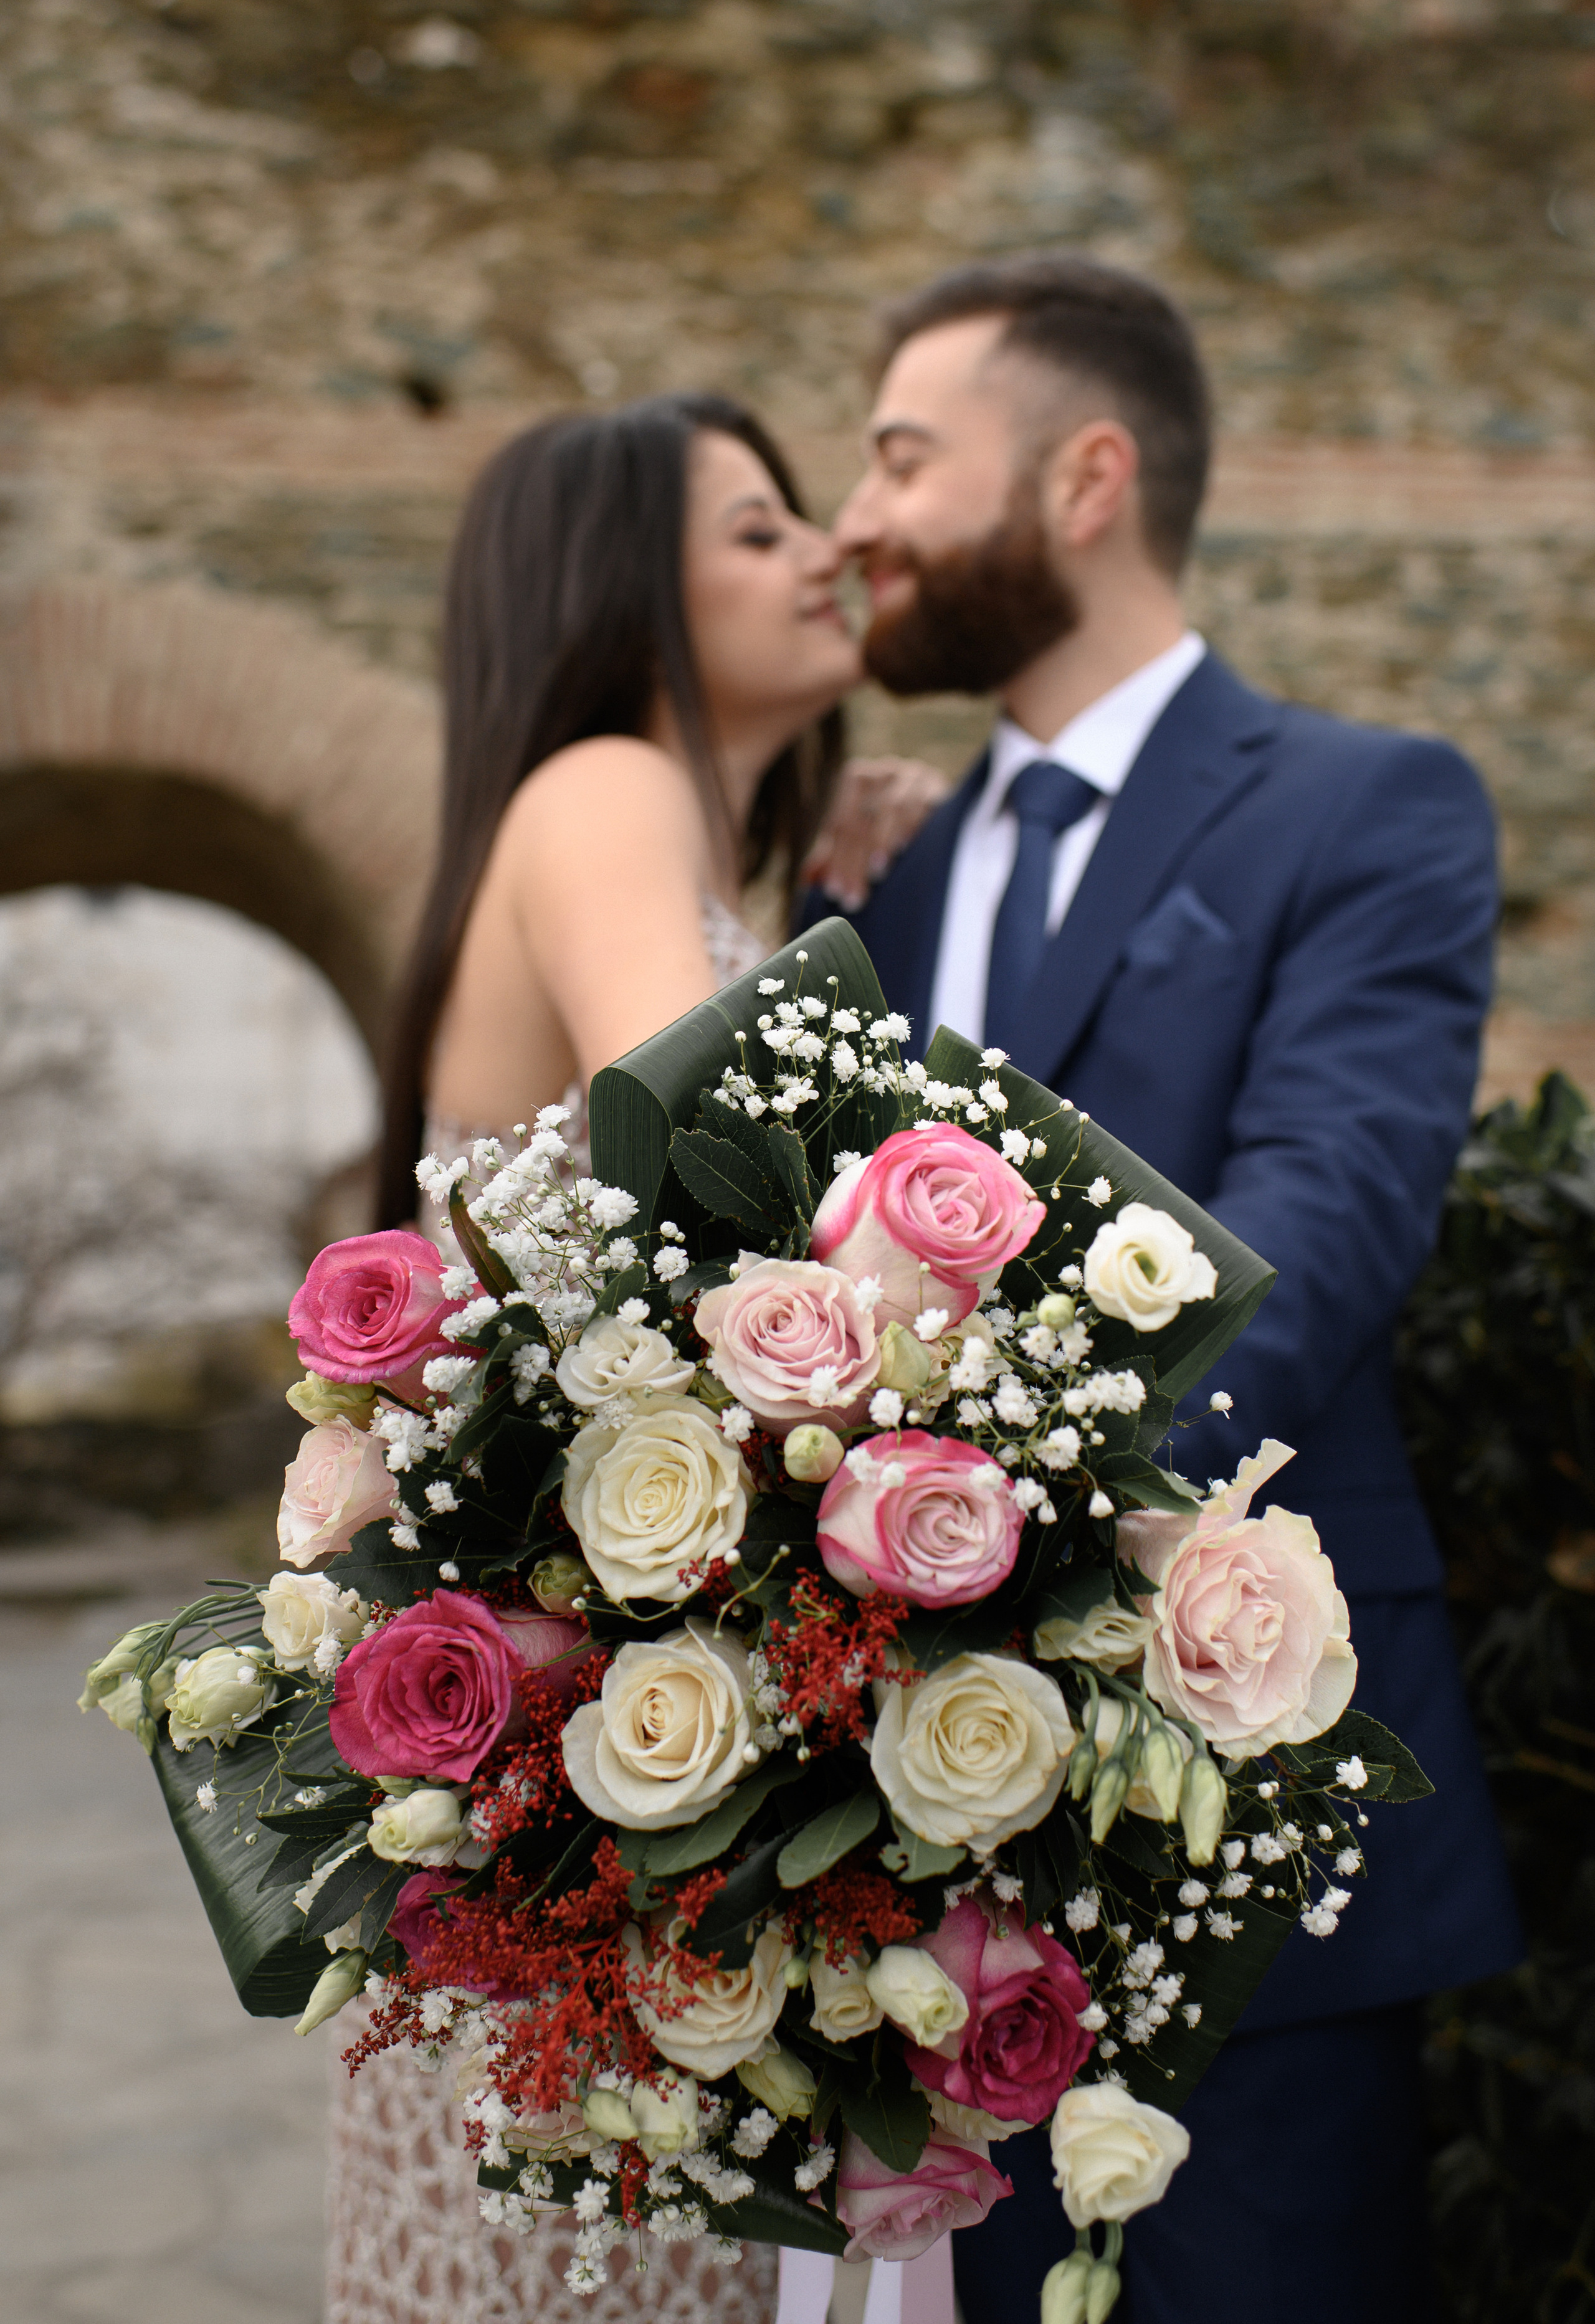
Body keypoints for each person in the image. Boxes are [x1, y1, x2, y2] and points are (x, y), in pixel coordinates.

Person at [802, 254, 1523, 2324]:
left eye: (905, 459)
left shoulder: (1364, 805)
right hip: (876, 1866)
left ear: (1087, 478)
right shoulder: (885, 878)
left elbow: (1329, 1215)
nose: (859, 519)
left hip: (1236, 1821)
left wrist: (969, 1516)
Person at [345, 392, 941, 2324]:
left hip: (573, 1778)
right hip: (590, 1825)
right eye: (759, 529)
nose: (824, 551)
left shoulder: (644, 832)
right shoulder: (607, 788)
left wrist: (813, 889)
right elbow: (716, 1185)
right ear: (625, 589)